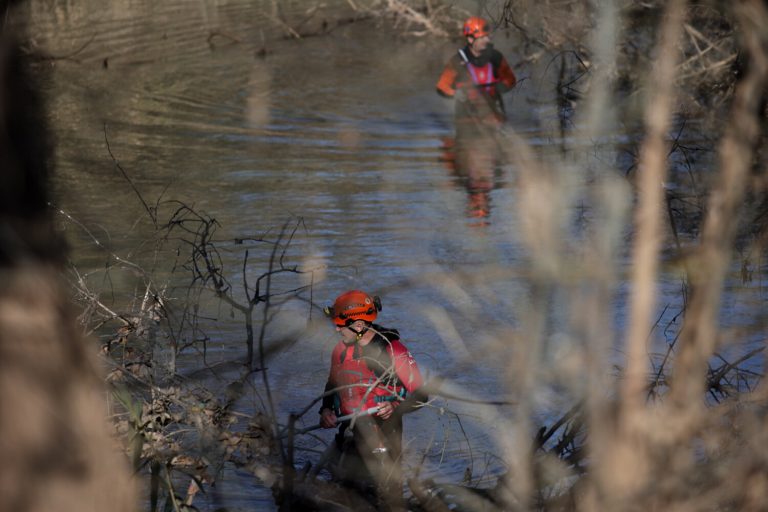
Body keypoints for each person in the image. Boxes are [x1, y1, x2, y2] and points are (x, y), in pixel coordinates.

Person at [319, 290, 426, 510]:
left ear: (358, 326)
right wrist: (326, 410)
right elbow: (332, 385)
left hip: (384, 440)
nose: (337, 329)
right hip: (348, 435)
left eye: (340, 325)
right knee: (343, 496)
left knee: (386, 498)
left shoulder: (393, 350)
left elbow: (422, 396)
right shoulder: (340, 350)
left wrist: (394, 406)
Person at [436, 16, 517, 136]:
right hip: (467, 117)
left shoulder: (495, 57)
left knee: (504, 138)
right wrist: (456, 92)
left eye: (487, 36)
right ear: (470, 39)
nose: (487, 40)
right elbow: (442, 87)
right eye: (482, 37)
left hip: (493, 113)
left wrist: (498, 87)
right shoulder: (457, 61)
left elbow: (510, 80)